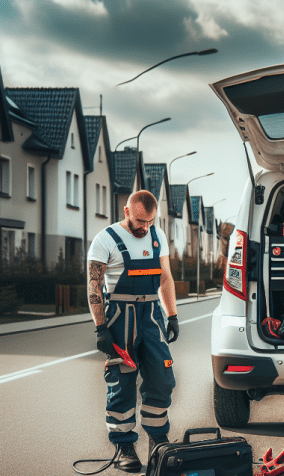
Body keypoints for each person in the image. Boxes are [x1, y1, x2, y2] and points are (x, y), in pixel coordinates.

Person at [87, 190, 179, 473]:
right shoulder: (105, 239)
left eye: (149, 221)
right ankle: (124, 446)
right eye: (140, 221)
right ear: (127, 211)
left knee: (161, 378)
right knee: (122, 380)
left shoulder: (157, 236)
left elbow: (164, 277)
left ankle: (157, 440)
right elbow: (93, 286)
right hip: (120, 316)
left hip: (151, 314)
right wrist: (101, 328)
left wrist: (172, 315)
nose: (145, 227)